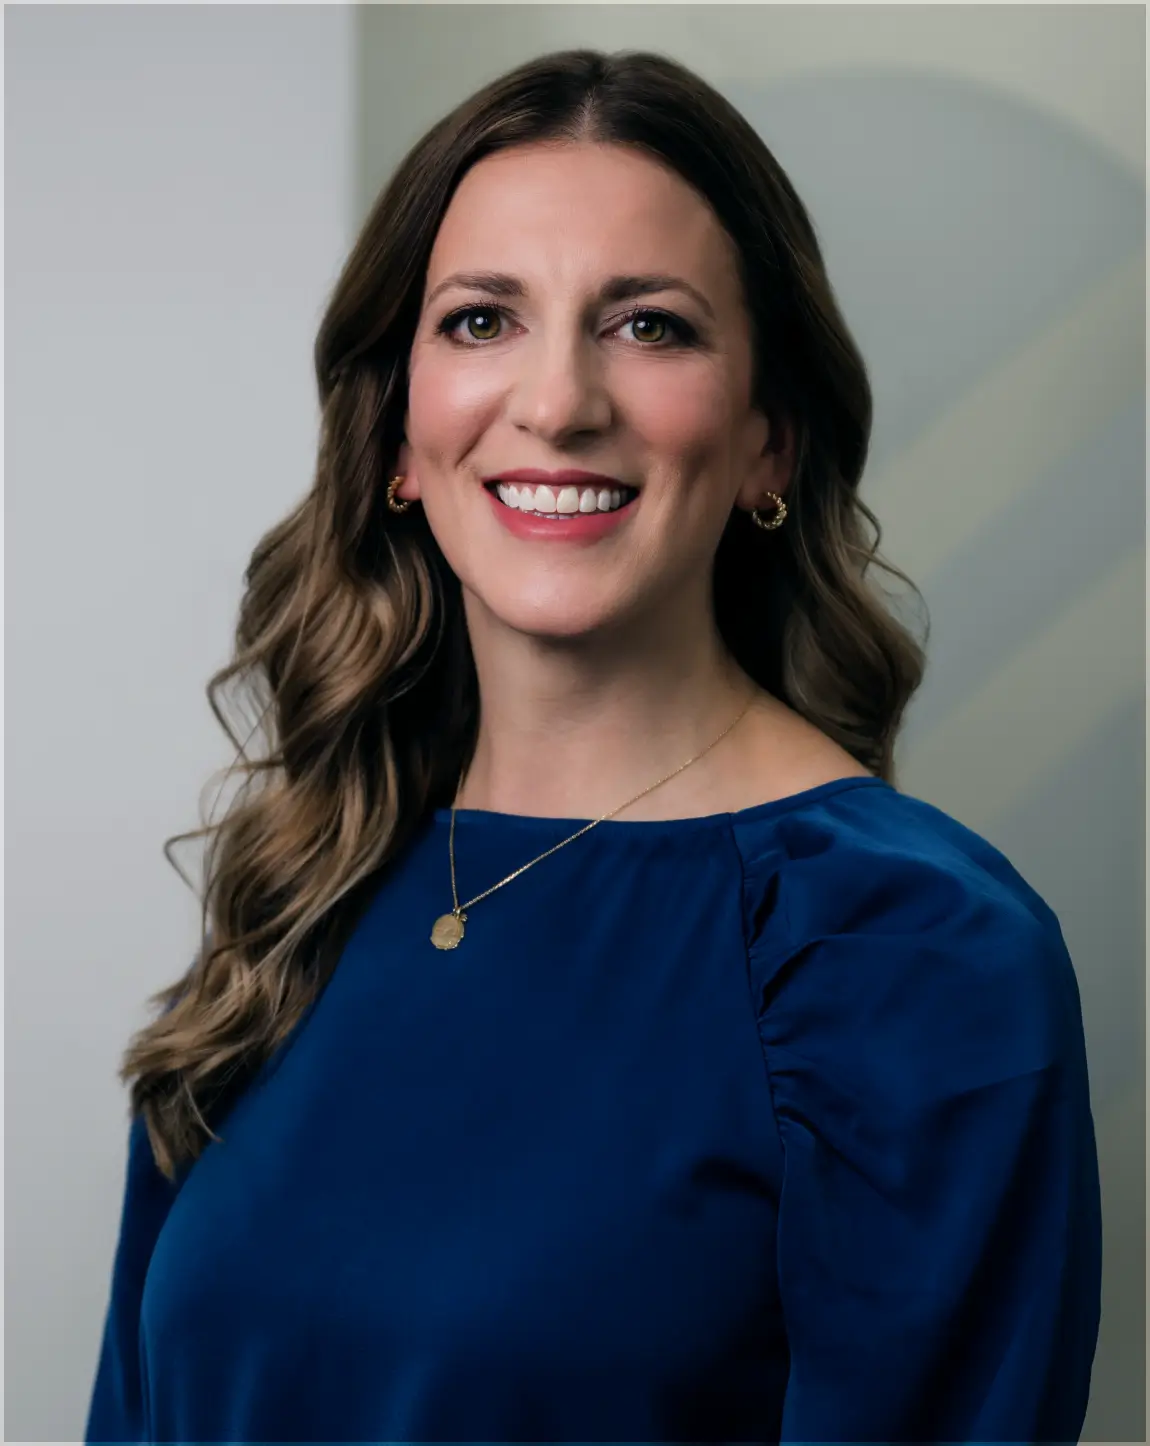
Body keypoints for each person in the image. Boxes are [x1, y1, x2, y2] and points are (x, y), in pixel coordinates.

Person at [86, 47, 1102, 1445]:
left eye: (649, 326)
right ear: (395, 430)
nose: (556, 401)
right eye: (482, 319)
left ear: (767, 444)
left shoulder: (913, 948)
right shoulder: (302, 884)